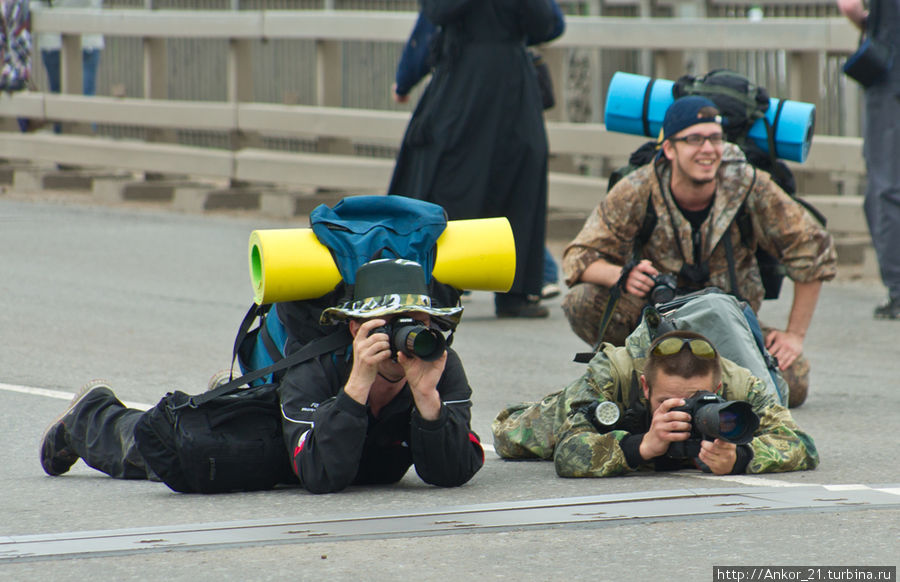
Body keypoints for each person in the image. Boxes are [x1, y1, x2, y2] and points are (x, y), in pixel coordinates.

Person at [40, 259, 485, 493]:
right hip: (287, 450)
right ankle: (90, 415)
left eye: (416, 323)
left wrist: (427, 400)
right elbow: (320, 476)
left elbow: (450, 474)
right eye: (390, 324)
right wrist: (356, 387)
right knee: (175, 449)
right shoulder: (316, 368)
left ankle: (232, 400)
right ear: (355, 329)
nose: (406, 338)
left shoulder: (437, 365)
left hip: (362, 461)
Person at [561, 96, 837, 407]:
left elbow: (814, 249)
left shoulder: (748, 185)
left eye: (715, 138)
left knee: (793, 381)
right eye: (694, 139)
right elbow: (578, 256)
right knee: (581, 301)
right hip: (653, 323)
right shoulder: (639, 188)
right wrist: (622, 275)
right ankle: (641, 372)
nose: (707, 149)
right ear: (669, 148)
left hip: (727, 325)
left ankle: (708, 381)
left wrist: (794, 336)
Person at [387, 0, 560, 318]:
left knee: (521, 173)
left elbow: (545, 25)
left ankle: (515, 291)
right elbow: (437, 11)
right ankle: (435, 284)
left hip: (510, 81)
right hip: (464, 77)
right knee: (451, 177)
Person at [492, 329, 819, 477]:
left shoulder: (740, 384)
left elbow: (802, 444)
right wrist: (641, 447)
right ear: (646, 386)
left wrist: (742, 457)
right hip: (595, 414)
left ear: (718, 387)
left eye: (697, 400)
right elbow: (569, 453)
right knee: (510, 436)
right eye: (669, 401)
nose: (685, 410)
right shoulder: (612, 372)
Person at [837, 0, 900, 319]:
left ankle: (899, 292)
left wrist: (866, 21)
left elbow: (849, 6)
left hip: (892, 77)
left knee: (887, 187)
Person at [34, 0, 104, 132]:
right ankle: (86, 145)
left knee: (59, 101)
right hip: (89, 32)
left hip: (52, 35)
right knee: (86, 101)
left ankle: (63, 145)